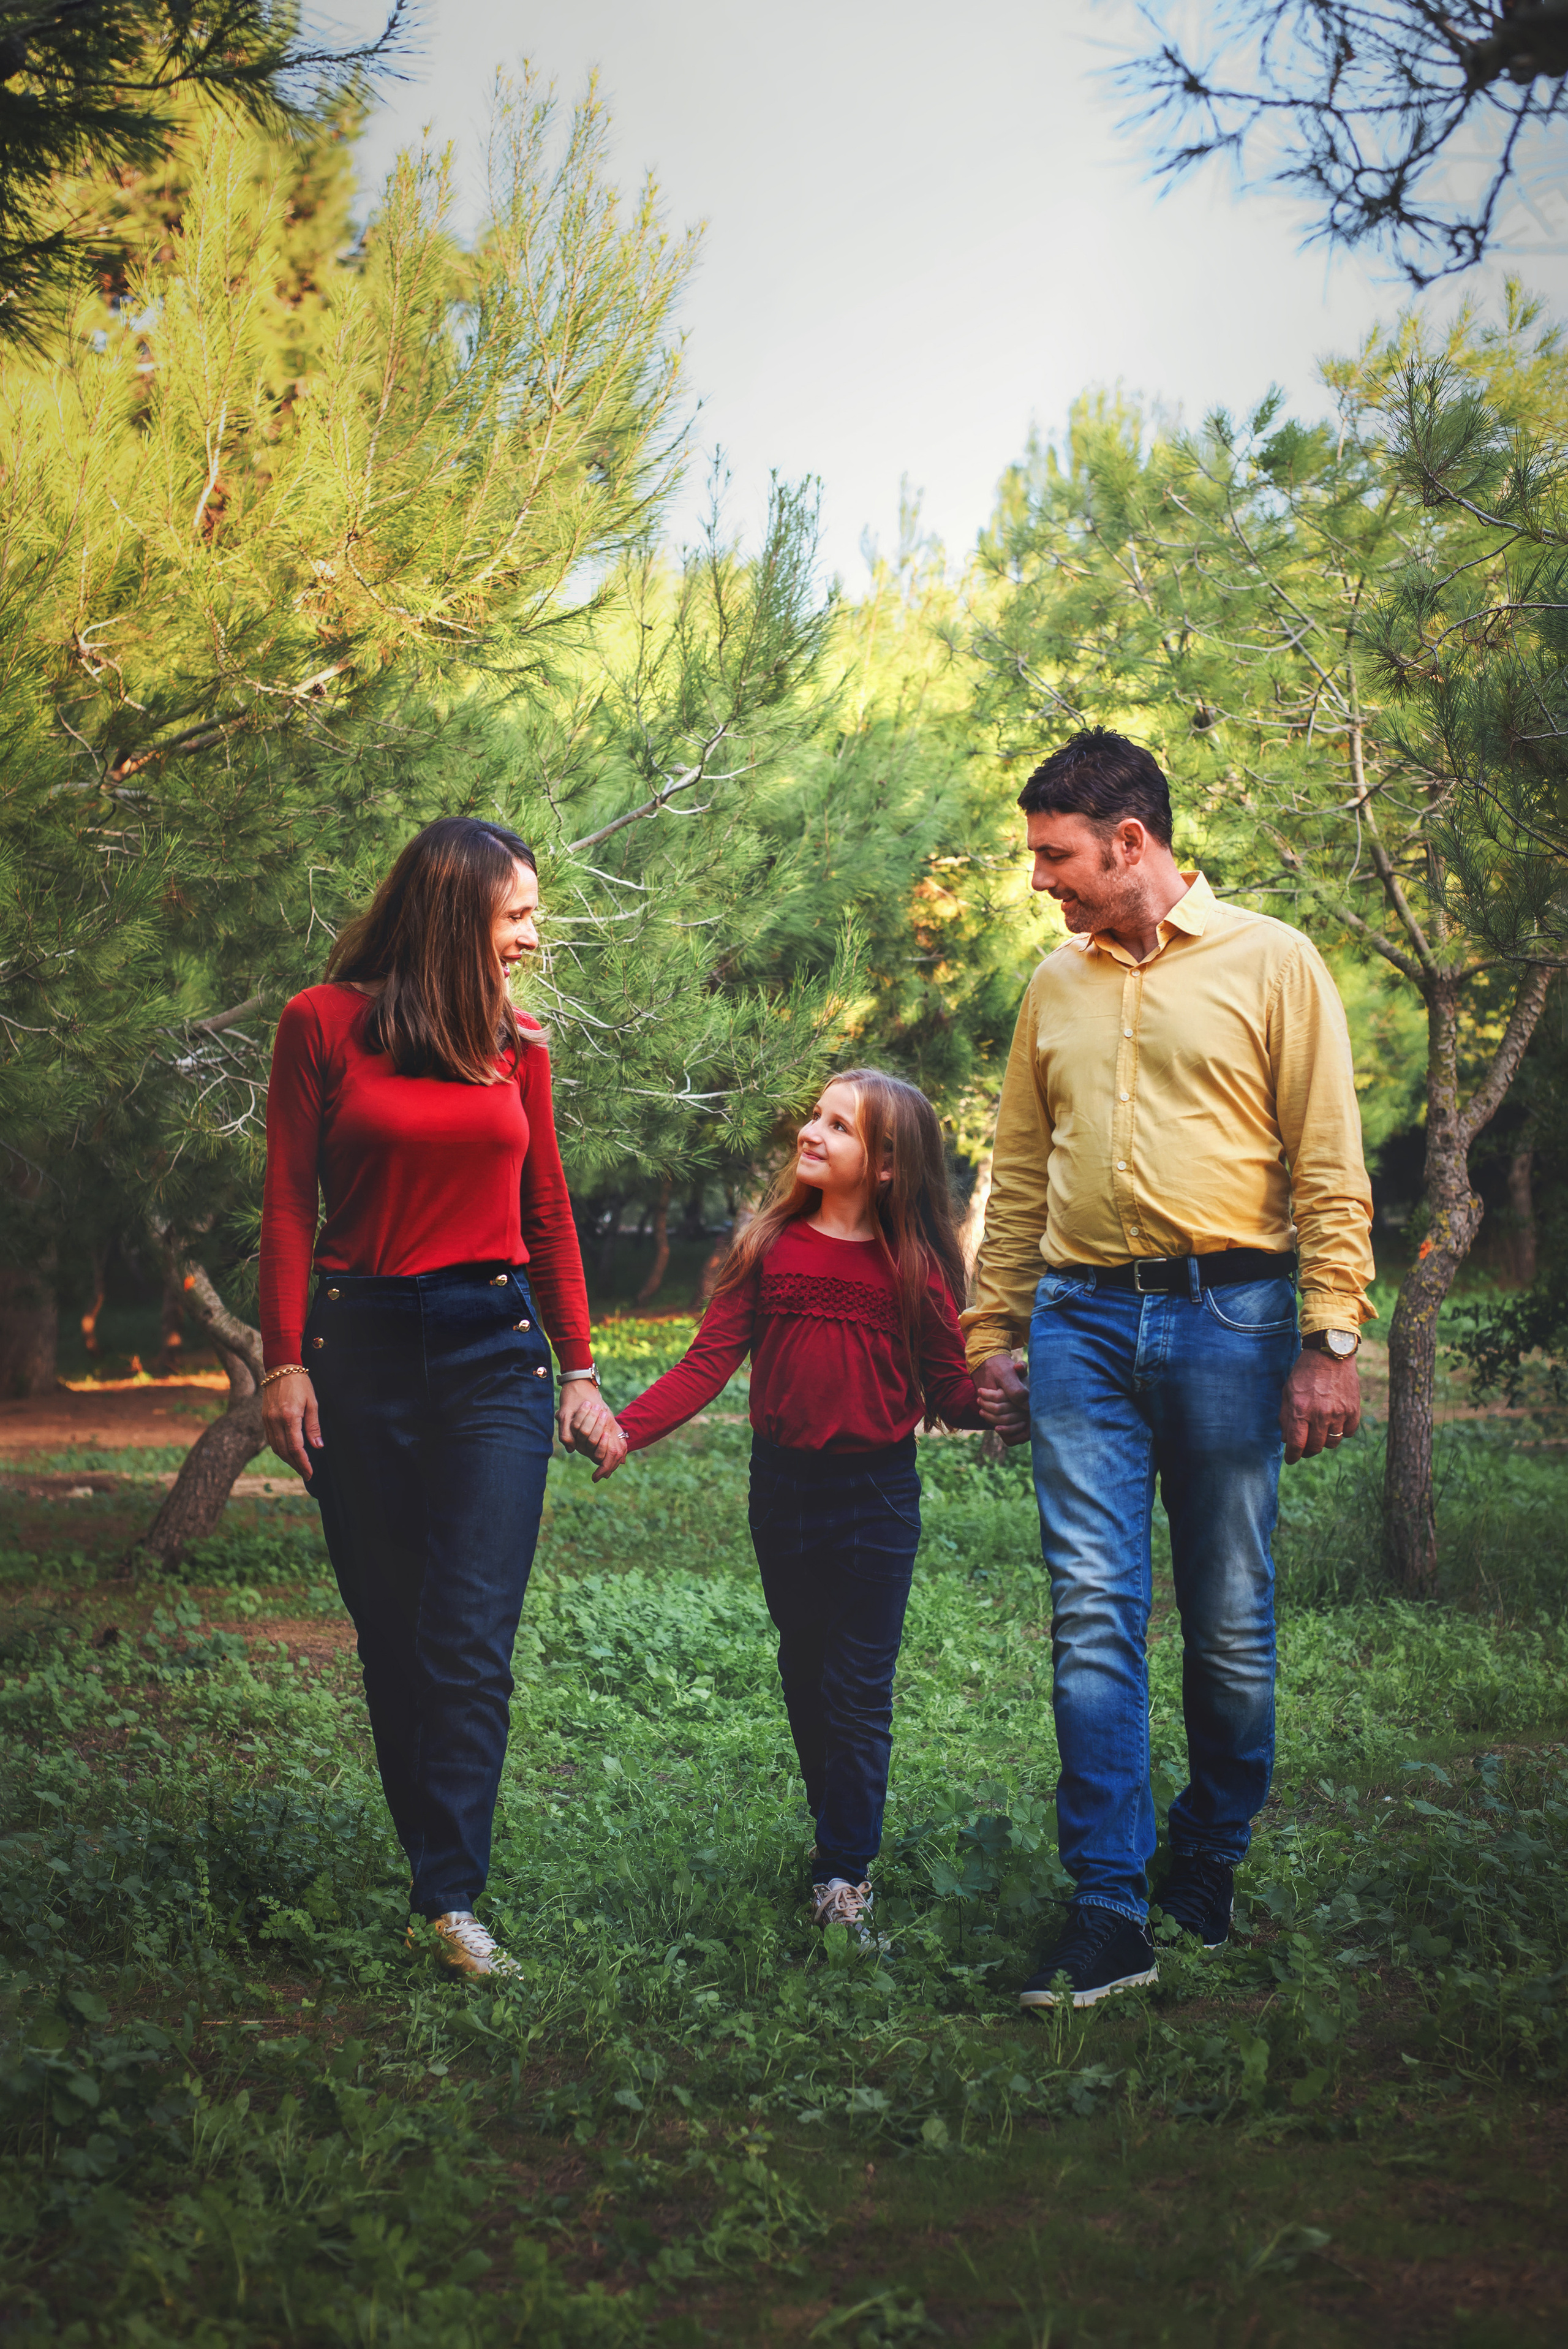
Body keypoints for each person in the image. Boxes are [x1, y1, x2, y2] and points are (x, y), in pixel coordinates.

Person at [967, 729, 1374, 2010]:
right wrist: (993, 1332)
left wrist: (1329, 1339)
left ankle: (1204, 1858)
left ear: (1129, 842)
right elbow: (1021, 1169)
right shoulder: (1053, 984)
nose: (1041, 879)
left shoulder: (1272, 962)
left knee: (1231, 1620)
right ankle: (1107, 1907)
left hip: (1232, 1315)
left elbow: (1325, 1160)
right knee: (1090, 1609)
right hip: (1081, 1319)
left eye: (1056, 856)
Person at [259, 816, 628, 1979]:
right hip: (358, 1346)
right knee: (392, 1627)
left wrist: (580, 1366)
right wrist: (282, 1359)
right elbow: (284, 1203)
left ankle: (451, 1896)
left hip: (493, 1350)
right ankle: (435, 1869)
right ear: (454, 912)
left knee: (467, 1634)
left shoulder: (520, 1044)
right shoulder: (320, 1023)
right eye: (517, 912)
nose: (532, 934)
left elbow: (551, 1210)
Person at [594, 1069, 984, 1943]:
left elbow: (953, 1393)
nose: (812, 1131)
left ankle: (845, 1874)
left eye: (838, 1125)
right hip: (783, 1491)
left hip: (876, 1496)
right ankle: (835, 1826)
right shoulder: (769, 1245)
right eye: (815, 1115)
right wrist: (626, 1429)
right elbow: (707, 1362)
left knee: (858, 1687)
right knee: (806, 1672)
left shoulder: (914, 1267)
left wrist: (1019, 1398)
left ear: (885, 1165)